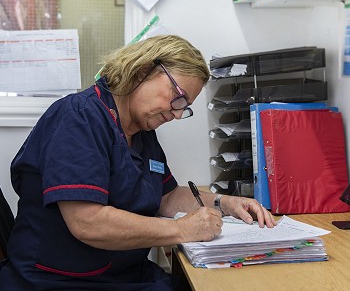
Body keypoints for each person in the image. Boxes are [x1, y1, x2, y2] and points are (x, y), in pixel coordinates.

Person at [0, 35, 276, 290]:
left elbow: (166, 196)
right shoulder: (79, 118)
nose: (177, 114)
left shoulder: (140, 131)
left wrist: (225, 203)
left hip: (123, 274)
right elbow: (87, 222)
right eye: (177, 98)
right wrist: (181, 230)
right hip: (60, 280)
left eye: (185, 106)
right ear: (143, 70)